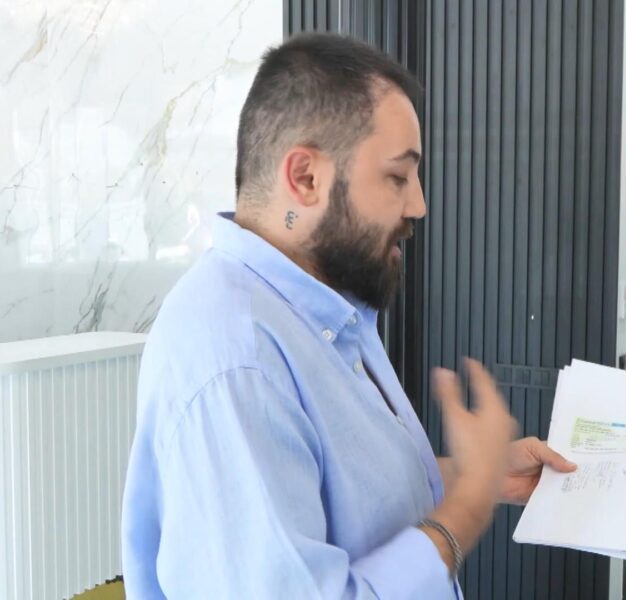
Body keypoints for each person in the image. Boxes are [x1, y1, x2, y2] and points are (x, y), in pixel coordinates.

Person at [121, 33, 575, 599]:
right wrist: (464, 511)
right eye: (397, 176)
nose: (418, 205)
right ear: (305, 178)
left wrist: (480, 474)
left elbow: (350, 499)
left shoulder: (324, 307)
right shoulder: (237, 361)